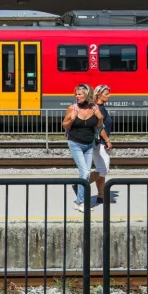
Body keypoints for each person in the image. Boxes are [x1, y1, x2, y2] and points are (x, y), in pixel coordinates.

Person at [61, 84, 103, 213]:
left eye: (79, 94)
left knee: (85, 173)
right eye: (76, 94)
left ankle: (80, 201)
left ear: (87, 95)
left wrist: (99, 117)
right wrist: (72, 119)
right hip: (75, 143)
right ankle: (80, 202)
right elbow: (64, 125)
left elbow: (98, 124)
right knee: (85, 172)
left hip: (89, 144)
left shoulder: (94, 108)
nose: (77, 96)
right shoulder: (72, 108)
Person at [91, 84, 114, 205]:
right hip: (100, 143)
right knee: (103, 169)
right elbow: (100, 127)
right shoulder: (100, 109)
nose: (109, 96)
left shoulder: (98, 107)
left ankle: (101, 196)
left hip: (99, 143)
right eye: (106, 94)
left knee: (101, 169)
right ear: (99, 95)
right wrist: (107, 141)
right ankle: (80, 185)